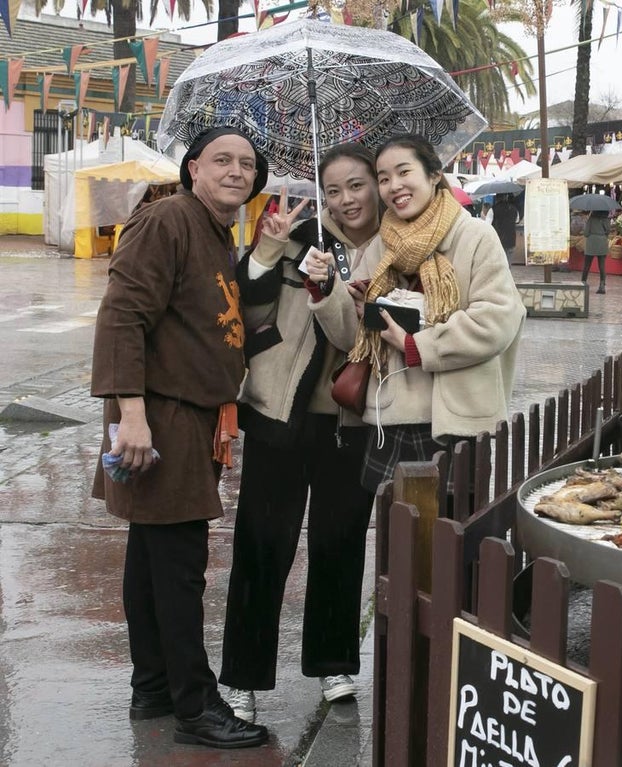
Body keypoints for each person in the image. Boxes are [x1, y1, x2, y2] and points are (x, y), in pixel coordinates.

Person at [90, 126, 270, 749]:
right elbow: (122, 313)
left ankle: (155, 688)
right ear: (193, 169)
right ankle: (196, 705)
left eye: (248, 164)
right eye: (222, 160)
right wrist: (130, 416)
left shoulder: (216, 233)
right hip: (161, 415)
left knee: (151, 559)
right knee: (180, 566)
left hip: (191, 416)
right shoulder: (168, 219)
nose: (236, 172)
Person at [218, 143, 384, 723]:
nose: (345, 200)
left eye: (356, 186)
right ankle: (241, 677)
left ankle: (333, 663)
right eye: (333, 189)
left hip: (351, 421)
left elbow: (363, 334)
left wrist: (335, 288)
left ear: (377, 185)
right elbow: (248, 299)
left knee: (340, 543)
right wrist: (267, 248)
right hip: (279, 413)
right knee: (262, 546)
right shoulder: (297, 237)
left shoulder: (398, 251)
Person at [354, 133, 525, 494]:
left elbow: (496, 321)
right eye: (383, 178)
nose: (393, 186)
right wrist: (342, 299)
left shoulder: (475, 236)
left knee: (454, 540)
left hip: (455, 419)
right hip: (394, 416)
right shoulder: (378, 248)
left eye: (403, 172)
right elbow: (353, 339)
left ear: (433, 175)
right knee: (398, 541)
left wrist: (417, 344)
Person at [581, 209, 610, 294]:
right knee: (602, 266)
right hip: (602, 242)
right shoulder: (606, 219)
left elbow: (586, 233)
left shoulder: (591, 219)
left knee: (587, 265)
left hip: (591, 243)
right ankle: (602, 285)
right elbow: (608, 231)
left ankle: (583, 282)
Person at [490, 193, 519, 260]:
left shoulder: (493, 210)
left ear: (497, 198)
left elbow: (487, 224)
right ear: (506, 197)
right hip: (511, 240)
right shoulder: (514, 209)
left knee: (499, 264)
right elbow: (517, 221)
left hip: (497, 240)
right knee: (508, 266)